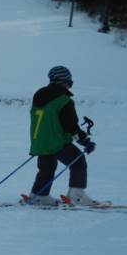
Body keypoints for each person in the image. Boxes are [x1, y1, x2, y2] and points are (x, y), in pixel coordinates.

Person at [28, 66, 96, 206]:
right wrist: (84, 141)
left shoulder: (39, 95)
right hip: (57, 141)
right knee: (78, 162)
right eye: (69, 81)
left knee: (47, 167)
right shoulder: (64, 100)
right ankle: (76, 196)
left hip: (39, 142)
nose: (70, 84)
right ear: (64, 81)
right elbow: (70, 125)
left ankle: (40, 196)